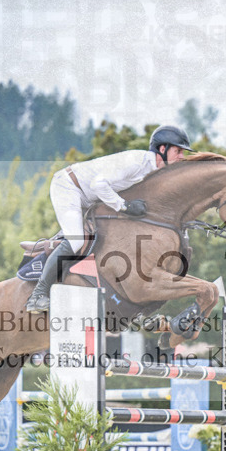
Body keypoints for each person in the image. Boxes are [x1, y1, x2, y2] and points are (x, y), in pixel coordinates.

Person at [24, 125, 193, 313]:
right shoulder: (136, 162)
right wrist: (124, 206)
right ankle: (37, 295)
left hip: (90, 196)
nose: (182, 156)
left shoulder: (153, 171)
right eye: (178, 151)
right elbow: (98, 184)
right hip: (70, 188)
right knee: (77, 241)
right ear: (162, 149)